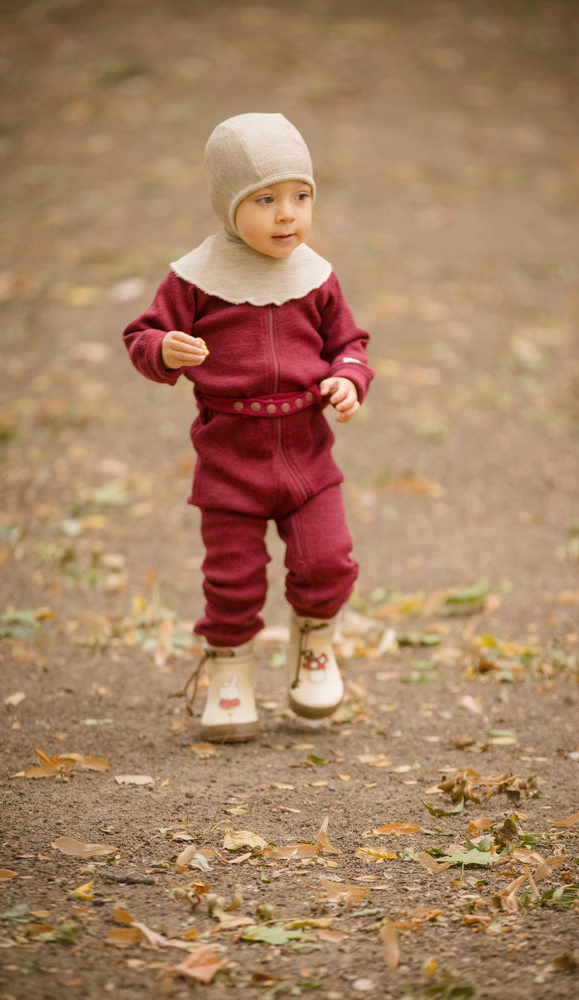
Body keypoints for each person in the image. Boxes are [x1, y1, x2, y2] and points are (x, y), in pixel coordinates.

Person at [123, 112, 373, 742]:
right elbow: (142, 334)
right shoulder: (194, 279)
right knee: (231, 578)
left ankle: (313, 646)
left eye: (300, 196)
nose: (287, 214)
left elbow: (350, 342)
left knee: (327, 560)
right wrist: (164, 350)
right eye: (265, 200)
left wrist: (348, 377)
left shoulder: (315, 275)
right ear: (228, 205)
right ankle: (229, 671)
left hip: (308, 456)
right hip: (231, 460)